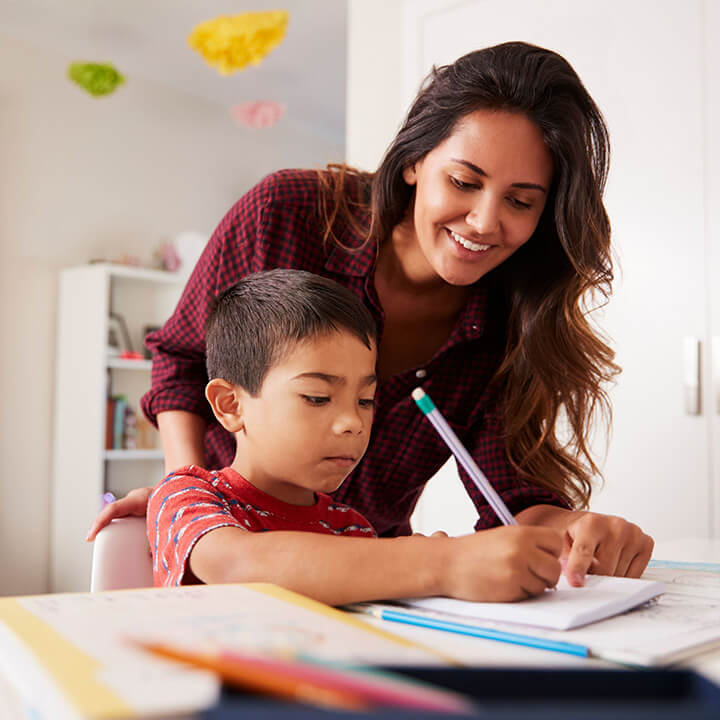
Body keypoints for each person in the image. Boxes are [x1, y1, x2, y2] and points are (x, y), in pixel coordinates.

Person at [87, 41, 654, 603]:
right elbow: (184, 362)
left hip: (373, 586)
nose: (485, 221)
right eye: (464, 182)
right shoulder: (286, 213)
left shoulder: (511, 323)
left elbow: (510, 497)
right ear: (413, 161)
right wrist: (190, 491)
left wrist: (574, 530)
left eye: (521, 201)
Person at [149, 270, 379, 588]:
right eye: (317, 397)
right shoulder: (188, 496)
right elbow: (235, 565)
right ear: (231, 405)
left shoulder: (352, 529)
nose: (353, 422)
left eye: (365, 400)